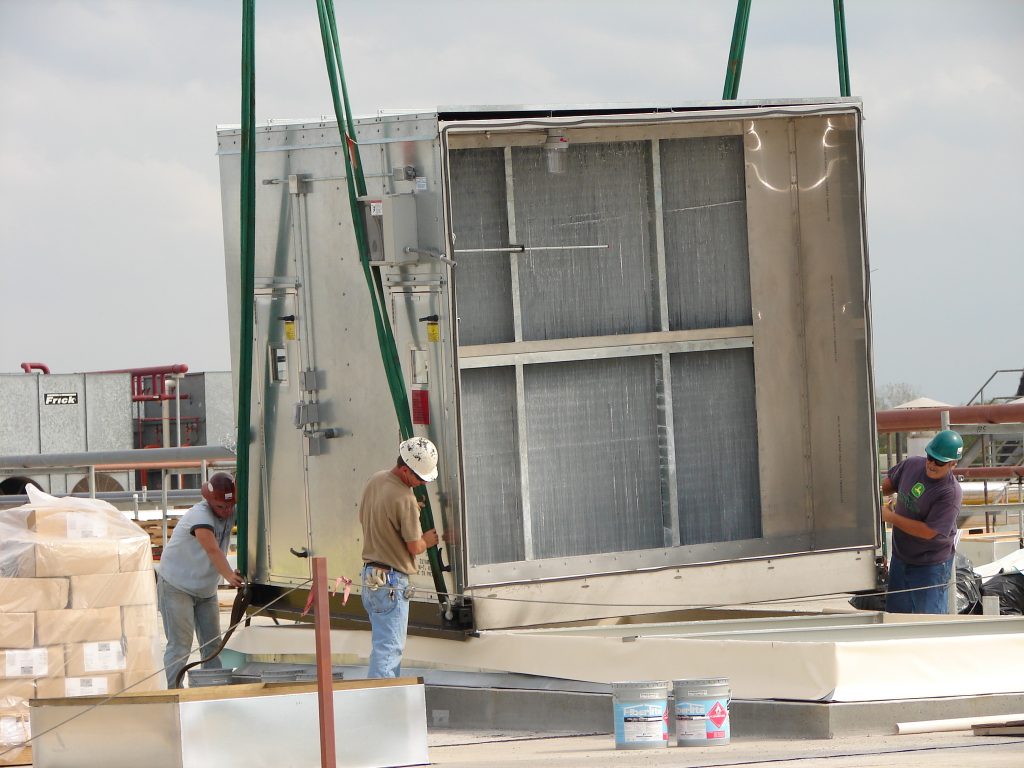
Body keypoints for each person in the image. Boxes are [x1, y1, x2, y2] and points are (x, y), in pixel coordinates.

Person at [359, 437, 440, 678]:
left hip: (370, 576)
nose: (420, 483)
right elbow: (415, 546)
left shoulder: (376, 480)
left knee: (381, 647)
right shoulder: (404, 498)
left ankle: (380, 700)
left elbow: (370, 516)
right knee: (389, 651)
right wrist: (428, 539)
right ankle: (381, 705)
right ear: (405, 469)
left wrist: (411, 512)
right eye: (419, 478)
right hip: (392, 582)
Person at [157, 472, 243, 687]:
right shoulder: (200, 517)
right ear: (209, 500)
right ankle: (174, 691)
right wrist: (229, 575)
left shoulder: (230, 507)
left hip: (205, 589)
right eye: (221, 507)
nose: (226, 510)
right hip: (176, 586)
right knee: (181, 644)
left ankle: (212, 687)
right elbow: (213, 550)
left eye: (230, 505)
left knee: (212, 644)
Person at [881, 429, 964, 614]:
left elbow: (929, 532)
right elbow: (888, 485)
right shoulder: (912, 465)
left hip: (930, 566)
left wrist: (890, 517)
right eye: (930, 457)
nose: (932, 464)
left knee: (928, 622)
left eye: (939, 462)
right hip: (901, 558)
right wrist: (874, 495)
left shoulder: (950, 493)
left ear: (953, 464)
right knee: (896, 618)